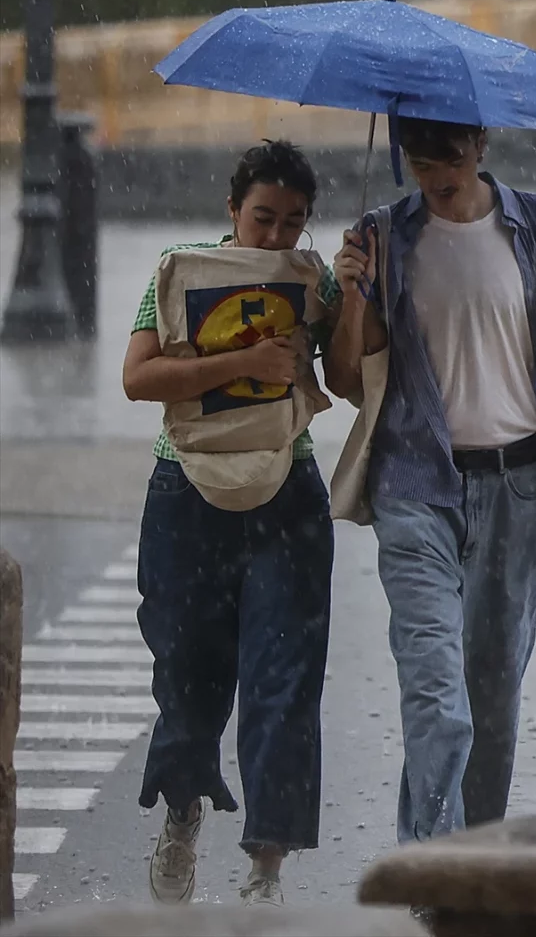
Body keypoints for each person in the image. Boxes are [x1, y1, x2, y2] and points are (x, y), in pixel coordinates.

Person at [329, 116, 536, 844]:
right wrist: (355, 290)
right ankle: (431, 865)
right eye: (419, 160)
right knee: (439, 699)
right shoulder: (382, 236)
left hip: (517, 485)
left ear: (482, 143)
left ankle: (478, 862)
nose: (435, 174)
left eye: (450, 156)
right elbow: (343, 378)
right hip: (416, 487)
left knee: (491, 699)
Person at [122, 140, 356, 907]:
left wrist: (351, 298)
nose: (277, 236)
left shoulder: (310, 278)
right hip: (186, 490)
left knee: (284, 679)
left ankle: (266, 867)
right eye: (262, 218)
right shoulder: (180, 268)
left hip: (285, 488)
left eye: (293, 222)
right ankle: (183, 812)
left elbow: (348, 380)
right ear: (232, 210)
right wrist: (242, 366)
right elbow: (139, 377)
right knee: (186, 672)